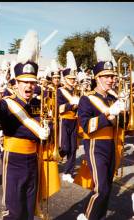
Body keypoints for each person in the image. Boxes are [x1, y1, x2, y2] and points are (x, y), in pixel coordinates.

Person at [0, 30, 50, 220]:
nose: (28, 86)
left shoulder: (38, 103)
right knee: (14, 211)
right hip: (13, 158)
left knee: (29, 210)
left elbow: (46, 125)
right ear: (16, 82)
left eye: (32, 82)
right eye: (24, 82)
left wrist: (49, 130)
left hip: (34, 158)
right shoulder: (8, 102)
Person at [77, 37, 127, 220]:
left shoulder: (114, 98)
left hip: (112, 145)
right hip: (95, 145)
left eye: (112, 76)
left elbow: (123, 127)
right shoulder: (87, 99)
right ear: (97, 78)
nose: (111, 79)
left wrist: (125, 111)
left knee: (108, 188)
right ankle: (88, 217)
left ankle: (96, 216)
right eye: (106, 76)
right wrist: (107, 115)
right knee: (101, 188)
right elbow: (86, 127)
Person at [58, 51, 79, 183]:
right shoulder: (60, 91)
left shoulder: (76, 91)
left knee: (73, 148)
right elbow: (59, 108)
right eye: (70, 79)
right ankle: (56, 156)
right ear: (65, 79)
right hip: (64, 120)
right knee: (65, 148)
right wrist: (71, 104)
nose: (73, 81)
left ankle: (68, 172)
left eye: (73, 79)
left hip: (74, 120)